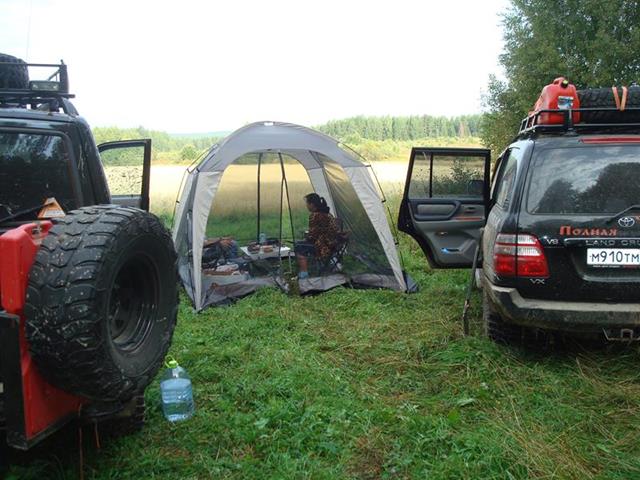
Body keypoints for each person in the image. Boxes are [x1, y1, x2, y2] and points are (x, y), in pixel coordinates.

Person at [295, 193, 340, 279]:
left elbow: (313, 236)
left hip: (322, 246)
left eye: (307, 203)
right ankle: (331, 261)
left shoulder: (315, 215)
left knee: (298, 246)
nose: (306, 206)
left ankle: (304, 273)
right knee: (302, 244)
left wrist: (306, 236)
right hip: (333, 244)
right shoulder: (327, 213)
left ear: (312, 204)